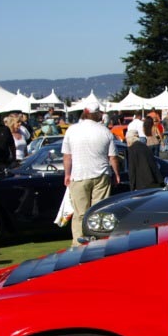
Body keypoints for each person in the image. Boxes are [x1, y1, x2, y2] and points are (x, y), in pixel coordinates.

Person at [62, 104, 121, 243]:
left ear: (85, 112)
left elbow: (67, 156)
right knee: (98, 213)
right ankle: (98, 242)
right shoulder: (105, 131)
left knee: (80, 214)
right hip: (101, 174)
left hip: (79, 175)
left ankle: (78, 244)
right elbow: (112, 157)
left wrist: (67, 174)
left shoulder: (72, 130)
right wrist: (117, 174)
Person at [126, 123, 164, 191]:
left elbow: (132, 169)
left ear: (130, 139)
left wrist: (132, 187)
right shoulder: (145, 146)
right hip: (154, 181)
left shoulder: (132, 149)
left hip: (142, 184)